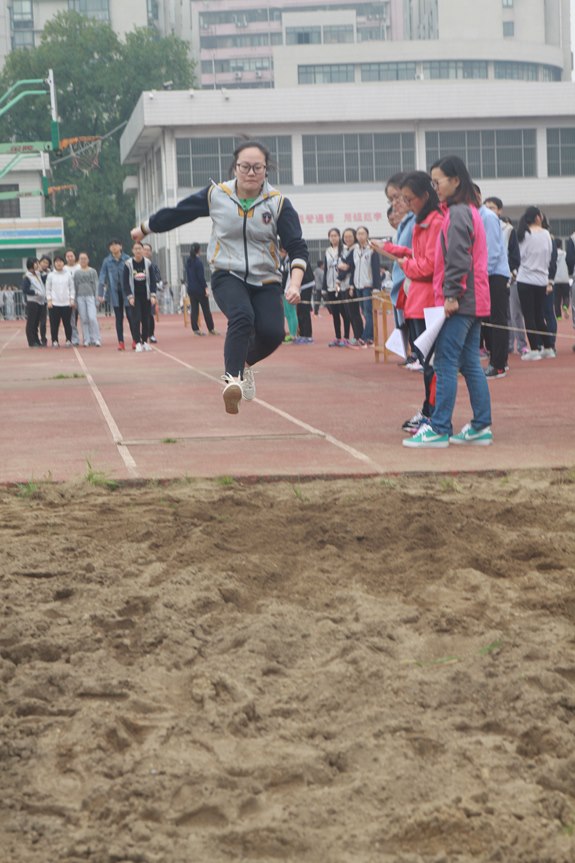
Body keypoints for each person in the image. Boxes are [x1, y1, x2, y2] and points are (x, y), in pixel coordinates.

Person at [131, 139, 307, 413]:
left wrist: (294, 283)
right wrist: (146, 227)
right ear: (234, 168)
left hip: (266, 279)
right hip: (228, 274)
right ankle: (231, 380)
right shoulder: (217, 195)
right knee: (242, 316)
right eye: (245, 167)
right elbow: (180, 213)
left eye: (257, 168)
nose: (251, 173)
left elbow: (297, 246)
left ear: (266, 170)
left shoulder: (278, 204)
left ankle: (244, 363)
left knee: (273, 334)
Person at [404, 155, 492, 448]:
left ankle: (440, 426)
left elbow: (457, 258)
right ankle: (480, 424)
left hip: (461, 301)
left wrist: (452, 295)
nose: (435, 186)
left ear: (455, 181)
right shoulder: (468, 211)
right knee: (470, 362)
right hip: (474, 299)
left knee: (445, 361)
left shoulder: (457, 214)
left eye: (438, 180)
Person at [373, 170, 444, 432]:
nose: (401, 203)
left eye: (406, 198)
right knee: (427, 363)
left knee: (435, 366)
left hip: (429, 302)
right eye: (397, 198)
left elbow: (429, 264)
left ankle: (434, 415)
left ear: (425, 196)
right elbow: (416, 255)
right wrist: (389, 249)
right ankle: (430, 411)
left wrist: (406, 264)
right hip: (416, 301)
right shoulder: (420, 222)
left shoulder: (435, 222)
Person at [475, 186, 511, 379]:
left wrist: (482, 276)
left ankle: (499, 364)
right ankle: (496, 360)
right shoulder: (476, 216)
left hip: (494, 274)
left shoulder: (487, 217)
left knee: (497, 319)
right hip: (485, 274)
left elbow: (492, 250)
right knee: (488, 319)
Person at [483, 197, 525, 356]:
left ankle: (505, 351)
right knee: (487, 316)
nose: (489, 210)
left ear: (500, 210)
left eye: (492, 207)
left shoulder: (507, 229)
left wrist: (510, 274)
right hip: (485, 275)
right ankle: (490, 348)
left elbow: (514, 255)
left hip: (500, 276)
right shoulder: (481, 223)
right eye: (486, 207)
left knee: (505, 315)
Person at [516, 206, 555, 361]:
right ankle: (548, 347)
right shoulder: (546, 234)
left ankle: (534, 349)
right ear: (538, 217)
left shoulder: (523, 234)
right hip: (541, 279)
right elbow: (549, 255)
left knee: (529, 315)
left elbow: (520, 256)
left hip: (525, 278)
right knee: (540, 315)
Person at [123, 241, 158, 352]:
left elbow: (153, 280)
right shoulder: (128, 264)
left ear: (143, 250)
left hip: (146, 296)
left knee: (146, 319)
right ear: (133, 250)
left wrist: (153, 295)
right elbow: (125, 282)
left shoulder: (148, 263)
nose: (138, 251)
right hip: (135, 297)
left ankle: (145, 341)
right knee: (136, 319)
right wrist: (130, 296)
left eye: (140, 249)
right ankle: (137, 342)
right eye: (136, 249)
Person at [98, 239, 131, 350]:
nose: (114, 247)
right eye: (111, 245)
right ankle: (120, 342)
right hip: (114, 293)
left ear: (121, 246)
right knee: (118, 318)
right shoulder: (107, 261)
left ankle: (136, 340)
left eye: (116, 244)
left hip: (128, 293)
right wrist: (100, 294)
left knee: (131, 317)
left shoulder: (127, 259)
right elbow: (102, 277)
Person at [352, 225, 381, 346]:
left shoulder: (372, 249)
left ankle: (366, 337)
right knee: (364, 312)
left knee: (368, 312)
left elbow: (376, 269)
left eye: (362, 233)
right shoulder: (355, 249)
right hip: (358, 285)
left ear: (367, 235)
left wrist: (376, 287)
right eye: (358, 234)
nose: (360, 236)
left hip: (368, 285)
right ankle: (370, 336)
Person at [323, 228, 349, 347]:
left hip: (341, 285)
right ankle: (338, 337)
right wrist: (324, 287)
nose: (333, 238)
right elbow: (325, 270)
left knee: (344, 311)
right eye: (331, 236)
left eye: (335, 235)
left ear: (339, 236)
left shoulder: (345, 249)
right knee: (335, 313)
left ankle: (347, 337)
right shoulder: (327, 251)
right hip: (330, 286)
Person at [185, 242, 216, 336]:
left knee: (194, 310)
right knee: (206, 309)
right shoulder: (198, 262)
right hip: (199, 289)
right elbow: (201, 277)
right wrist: (206, 288)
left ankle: (195, 329)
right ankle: (211, 329)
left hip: (191, 288)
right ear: (199, 250)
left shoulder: (188, 261)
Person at [46, 254, 75, 347]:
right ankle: (55, 340)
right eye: (57, 262)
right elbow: (48, 289)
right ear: (54, 263)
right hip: (54, 303)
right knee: (54, 324)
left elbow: (72, 288)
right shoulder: (50, 275)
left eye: (61, 262)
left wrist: (72, 299)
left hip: (66, 303)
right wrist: (49, 300)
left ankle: (68, 340)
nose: (59, 263)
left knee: (67, 323)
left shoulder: (68, 275)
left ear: (63, 263)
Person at [74, 252, 101, 346]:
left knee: (92, 318)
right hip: (80, 297)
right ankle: (87, 338)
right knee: (84, 319)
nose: (83, 261)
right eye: (81, 259)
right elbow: (75, 286)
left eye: (85, 259)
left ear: (88, 260)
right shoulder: (76, 273)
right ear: (78, 261)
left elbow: (96, 285)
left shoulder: (92, 271)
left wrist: (97, 298)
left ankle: (96, 338)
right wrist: (75, 300)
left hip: (91, 296)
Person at [21, 258, 46, 348]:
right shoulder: (27, 277)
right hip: (32, 301)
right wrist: (35, 292)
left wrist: (42, 270)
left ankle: (36, 340)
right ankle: (31, 341)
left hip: (40, 301)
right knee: (31, 322)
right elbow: (25, 289)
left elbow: (45, 279)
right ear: (31, 264)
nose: (38, 265)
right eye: (36, 263)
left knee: (36, 322)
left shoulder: (38, 274)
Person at [142, 242, 162, 343]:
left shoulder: (153, 266)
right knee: (139, 316)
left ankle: (151, 334)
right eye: (144, 249)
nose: (146, 251)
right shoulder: (134, 264)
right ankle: (140, 335)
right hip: (138, 293)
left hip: (150, 294)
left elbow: (158, 279)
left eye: (148, 250)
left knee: (150, 314)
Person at [64, 250, 81, 346]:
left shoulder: (79, 267)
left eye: (72, 256)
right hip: (69, 297)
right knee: (72, 320)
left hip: (81, 295)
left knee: (86, 318)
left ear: (75, 257)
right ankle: (75, 338)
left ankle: (90, 338)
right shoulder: (64, 268)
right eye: (68, 256)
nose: (70, 258)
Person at [553, 238, 570, 320]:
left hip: (555, 279)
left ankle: (558, 317)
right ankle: (565, 305)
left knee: (557, 298)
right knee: (566, 295)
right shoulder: (565, 254)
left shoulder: (552, 255)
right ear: (560, 245)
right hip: (565, 278)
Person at [38, 255, 51, 346]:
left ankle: (43, 339)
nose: (45, 264)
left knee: (44, 321)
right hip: (37, 299)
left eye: (47, 263)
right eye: (43, 262)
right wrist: (40, 272)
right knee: (37, 321)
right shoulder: (35, 273)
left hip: (48, 299)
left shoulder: (51, 273)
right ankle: (36, 339)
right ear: (39, 262)